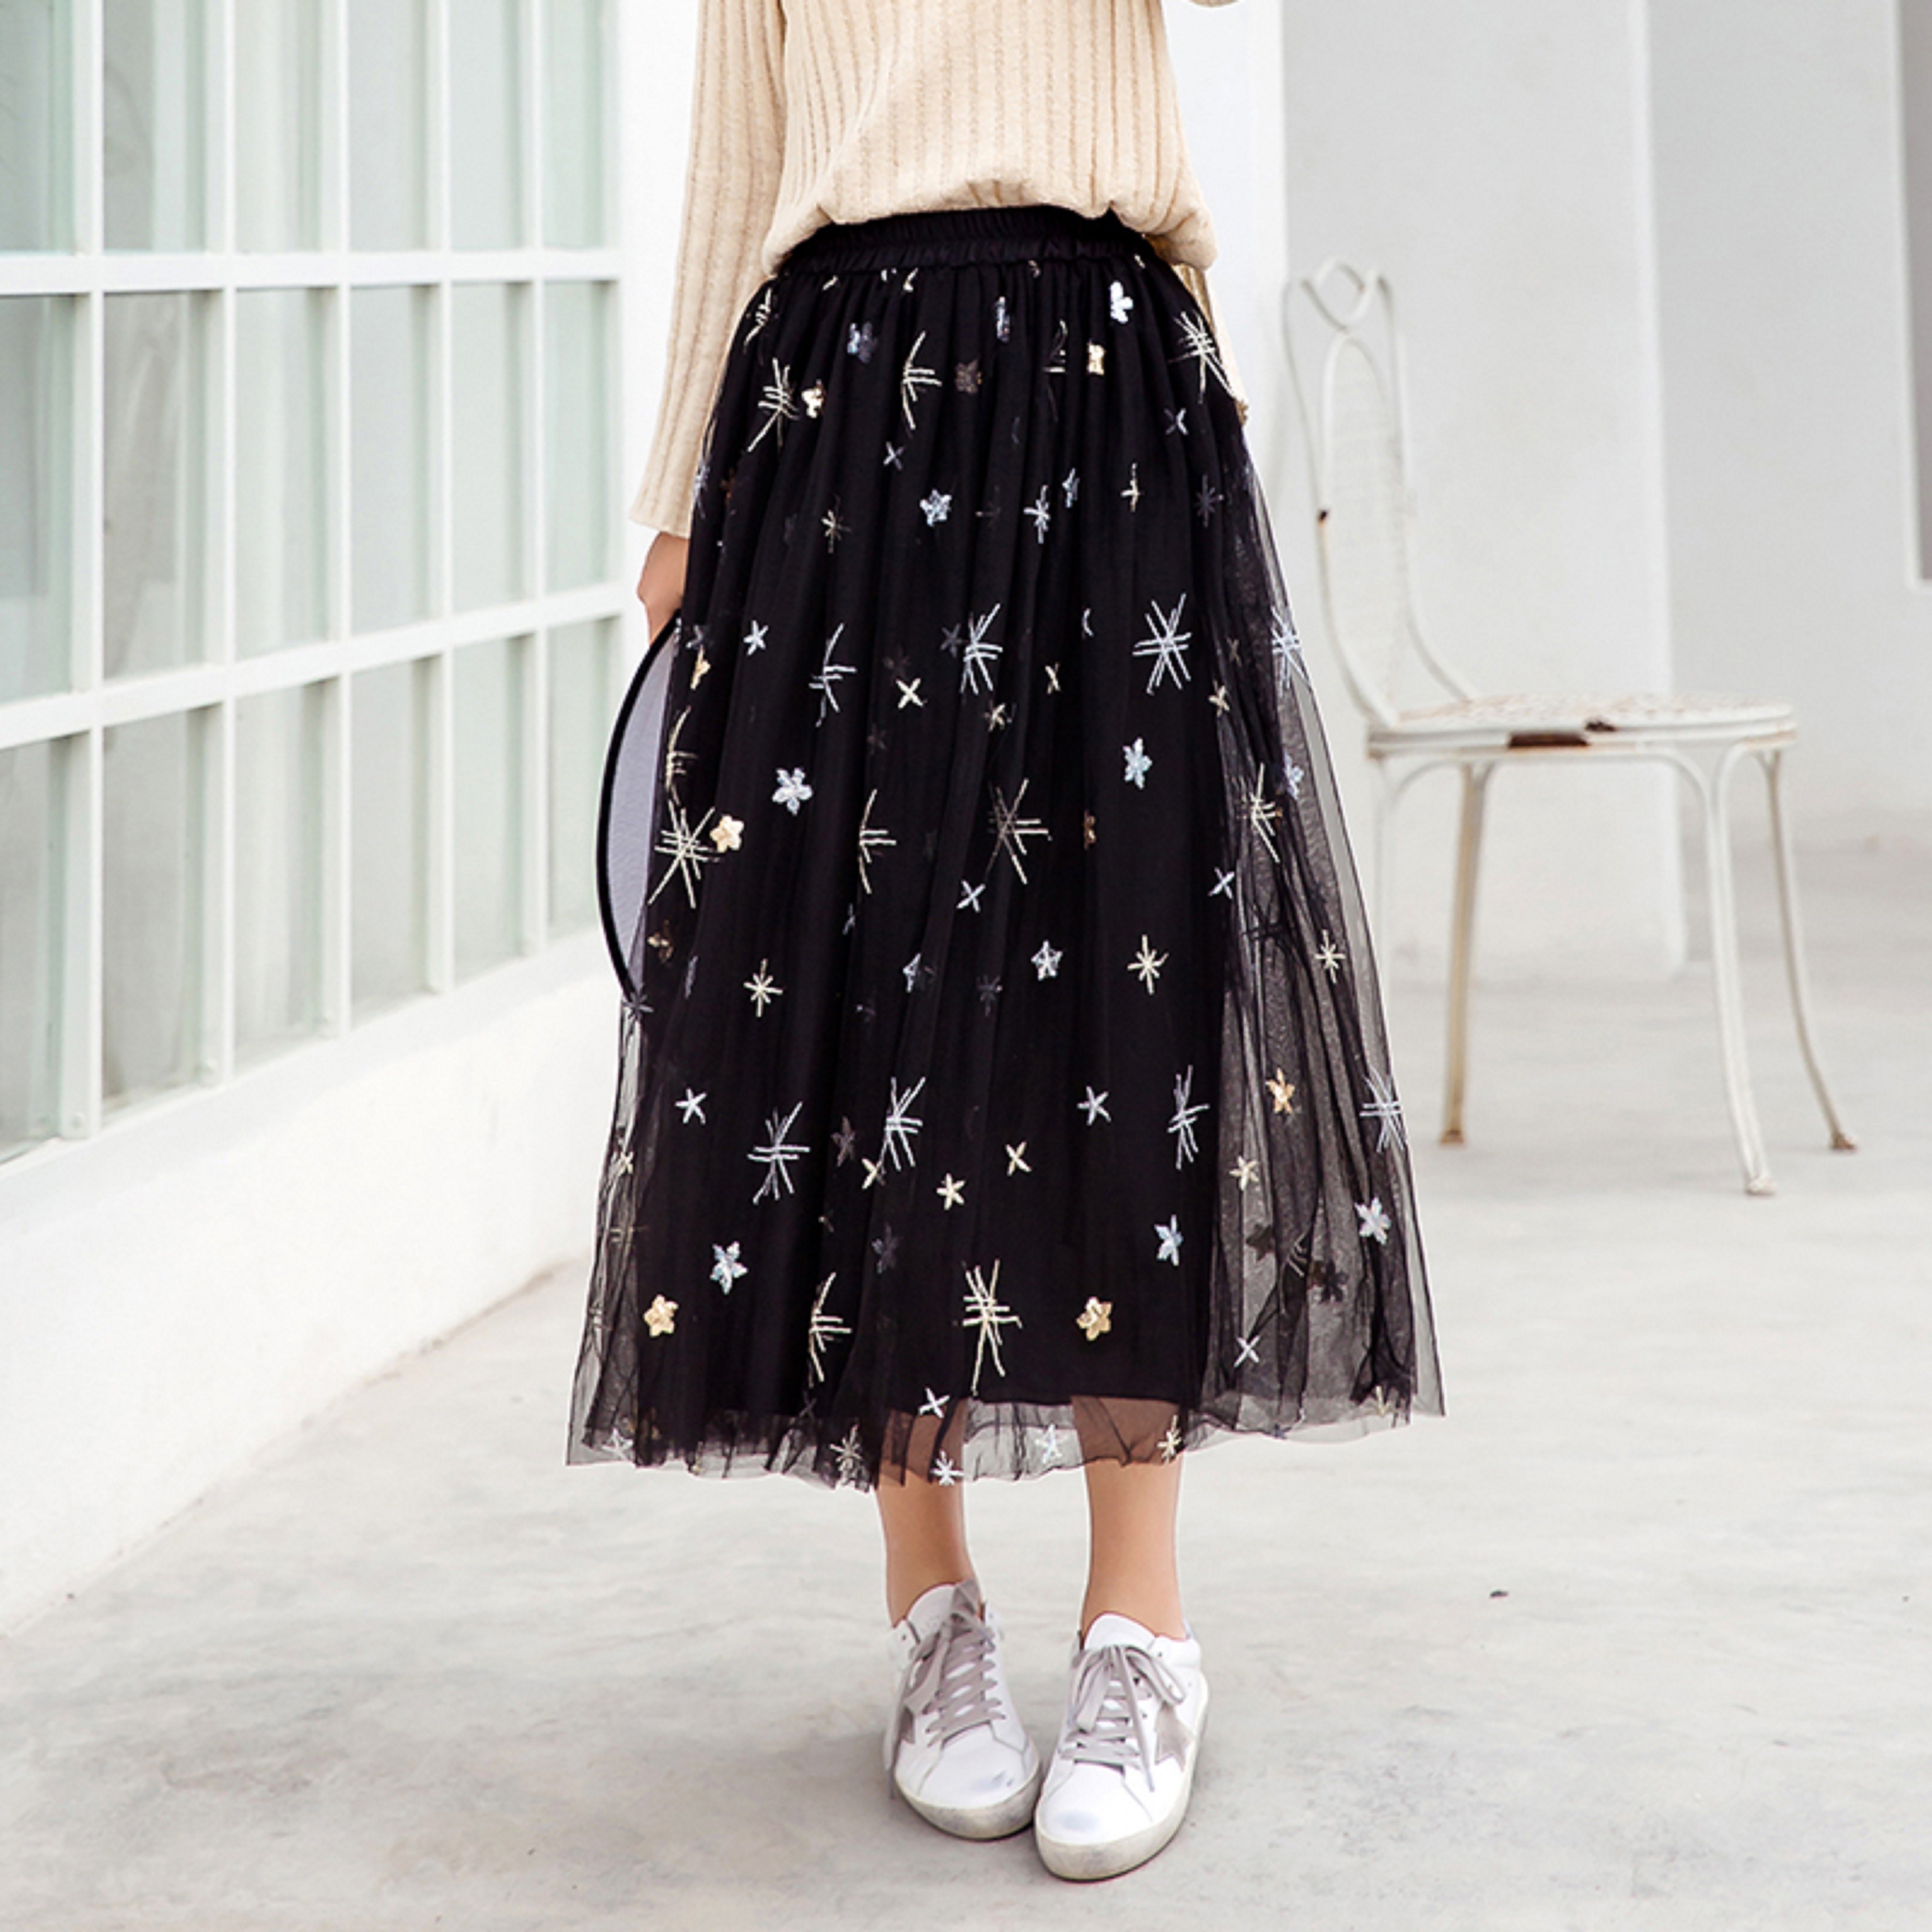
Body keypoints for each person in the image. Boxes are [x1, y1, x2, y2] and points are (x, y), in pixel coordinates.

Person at [569, 0, 1443, 1881]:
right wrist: (679, 503)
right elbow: (735, 165)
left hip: (1101, 398)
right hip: (843, 411)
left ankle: (1141, 1627)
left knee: (1124, 1013)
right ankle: (931, 1601)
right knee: (871, 1018)